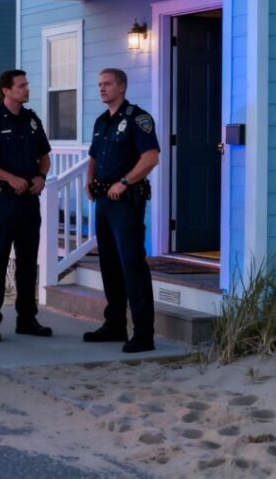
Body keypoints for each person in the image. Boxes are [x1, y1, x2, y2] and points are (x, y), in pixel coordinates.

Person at [0, 69, 53, 342]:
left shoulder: (31, 120)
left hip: (29, 201)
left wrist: (41, 176)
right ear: (6, 90)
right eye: (21, 85)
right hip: (3, 201)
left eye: (27, 84)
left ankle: (27, 319)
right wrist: (10, 178)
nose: (27, 89)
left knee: (28, 263)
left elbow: (44, 156)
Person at [84, 68, 160, 353]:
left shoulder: (138, 119)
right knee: (109, 266)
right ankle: (115, 325)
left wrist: (125, 181)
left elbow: (151, 158)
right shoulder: (102, 121)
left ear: (122, 87)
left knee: (132, 266)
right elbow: (93, 154)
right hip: (103, 201)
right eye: (99, 84)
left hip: (126, 202)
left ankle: (143, 334)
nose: (102, 89)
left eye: (107, 84)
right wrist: (88, 180)